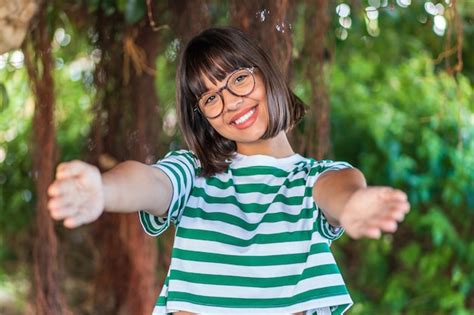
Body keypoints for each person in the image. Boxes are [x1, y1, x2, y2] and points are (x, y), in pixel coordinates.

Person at [47, 27, 410, 315]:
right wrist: (103, 190)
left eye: (238, 79)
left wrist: (353, 206)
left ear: (267, 73)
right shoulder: (195, 174)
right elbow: (151, 182)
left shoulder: (311, 179)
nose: (230, 103)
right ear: (203, 117)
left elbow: (340, 189)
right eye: (209, 98)